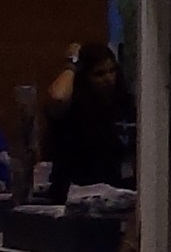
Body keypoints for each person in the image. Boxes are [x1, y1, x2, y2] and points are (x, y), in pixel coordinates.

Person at [52, 43, 135, 193]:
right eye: (99, 74)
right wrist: (72, 63)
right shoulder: (73, 109)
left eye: (112, 71)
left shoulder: (126, 105)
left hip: (120, 191)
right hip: (78, 194)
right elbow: (59, 97)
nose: (109, 78)